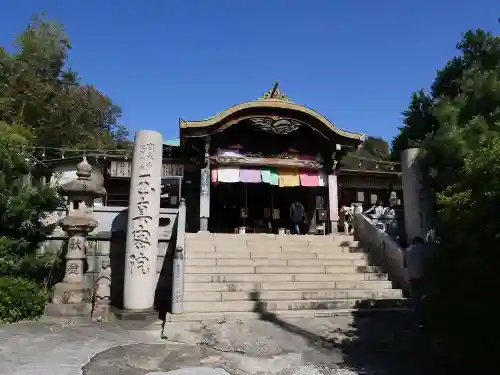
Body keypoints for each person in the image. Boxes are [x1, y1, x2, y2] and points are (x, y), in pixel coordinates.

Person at [404, 236, 427, 325]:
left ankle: (418, 320)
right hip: (423, 278)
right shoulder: (423, 249)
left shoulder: (407, 251)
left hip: (412, 279)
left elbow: (405, 265)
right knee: (424, 299)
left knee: (416, 300)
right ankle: (423, 320)